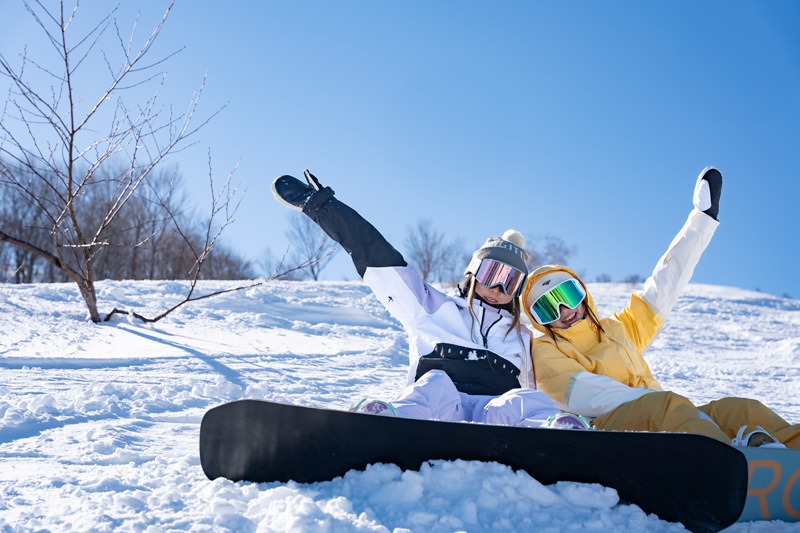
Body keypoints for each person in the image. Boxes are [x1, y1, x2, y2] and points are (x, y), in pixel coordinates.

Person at [520, 166, 800, 448]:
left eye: (567, 295)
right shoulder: (545, 350)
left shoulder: (617, 329)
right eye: (548, 309)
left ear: (582, 294)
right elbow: (584, 395)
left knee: (740, 410)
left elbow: (664, 286)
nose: (564, 311)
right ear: (538, 319)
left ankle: (792, 455)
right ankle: (733, 463)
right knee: (667, 406)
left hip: (663, 414)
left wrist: (701, 222)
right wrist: (666, 406)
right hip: (604, 430)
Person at [271, 169, 567, 428]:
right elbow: (379, 258)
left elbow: (540, 382)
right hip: (439, 413)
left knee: (525, 398)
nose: (498, 289)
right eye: (492, 274)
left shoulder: (521, 336)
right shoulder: (431, 306)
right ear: (473, 272)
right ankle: (387, 421)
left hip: (496, 416)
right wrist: (322, 207)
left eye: (510, 282)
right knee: (434, 385)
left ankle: (561, 435)